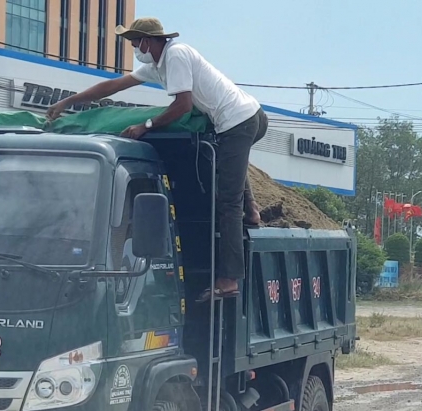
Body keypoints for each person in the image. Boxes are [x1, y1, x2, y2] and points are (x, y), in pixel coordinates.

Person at [45, 17, 268, 301]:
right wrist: (68, 102)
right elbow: (113, 86)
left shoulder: (175, 55)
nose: (135, 48)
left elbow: (183, 105)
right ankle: (252, 210)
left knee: (227, 202)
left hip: (241, 122)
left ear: (148, 41)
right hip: (247, 117)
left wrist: (145, 126)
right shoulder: (156, 65)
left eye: (135, 42)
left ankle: (229, 280)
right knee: (229, 166)